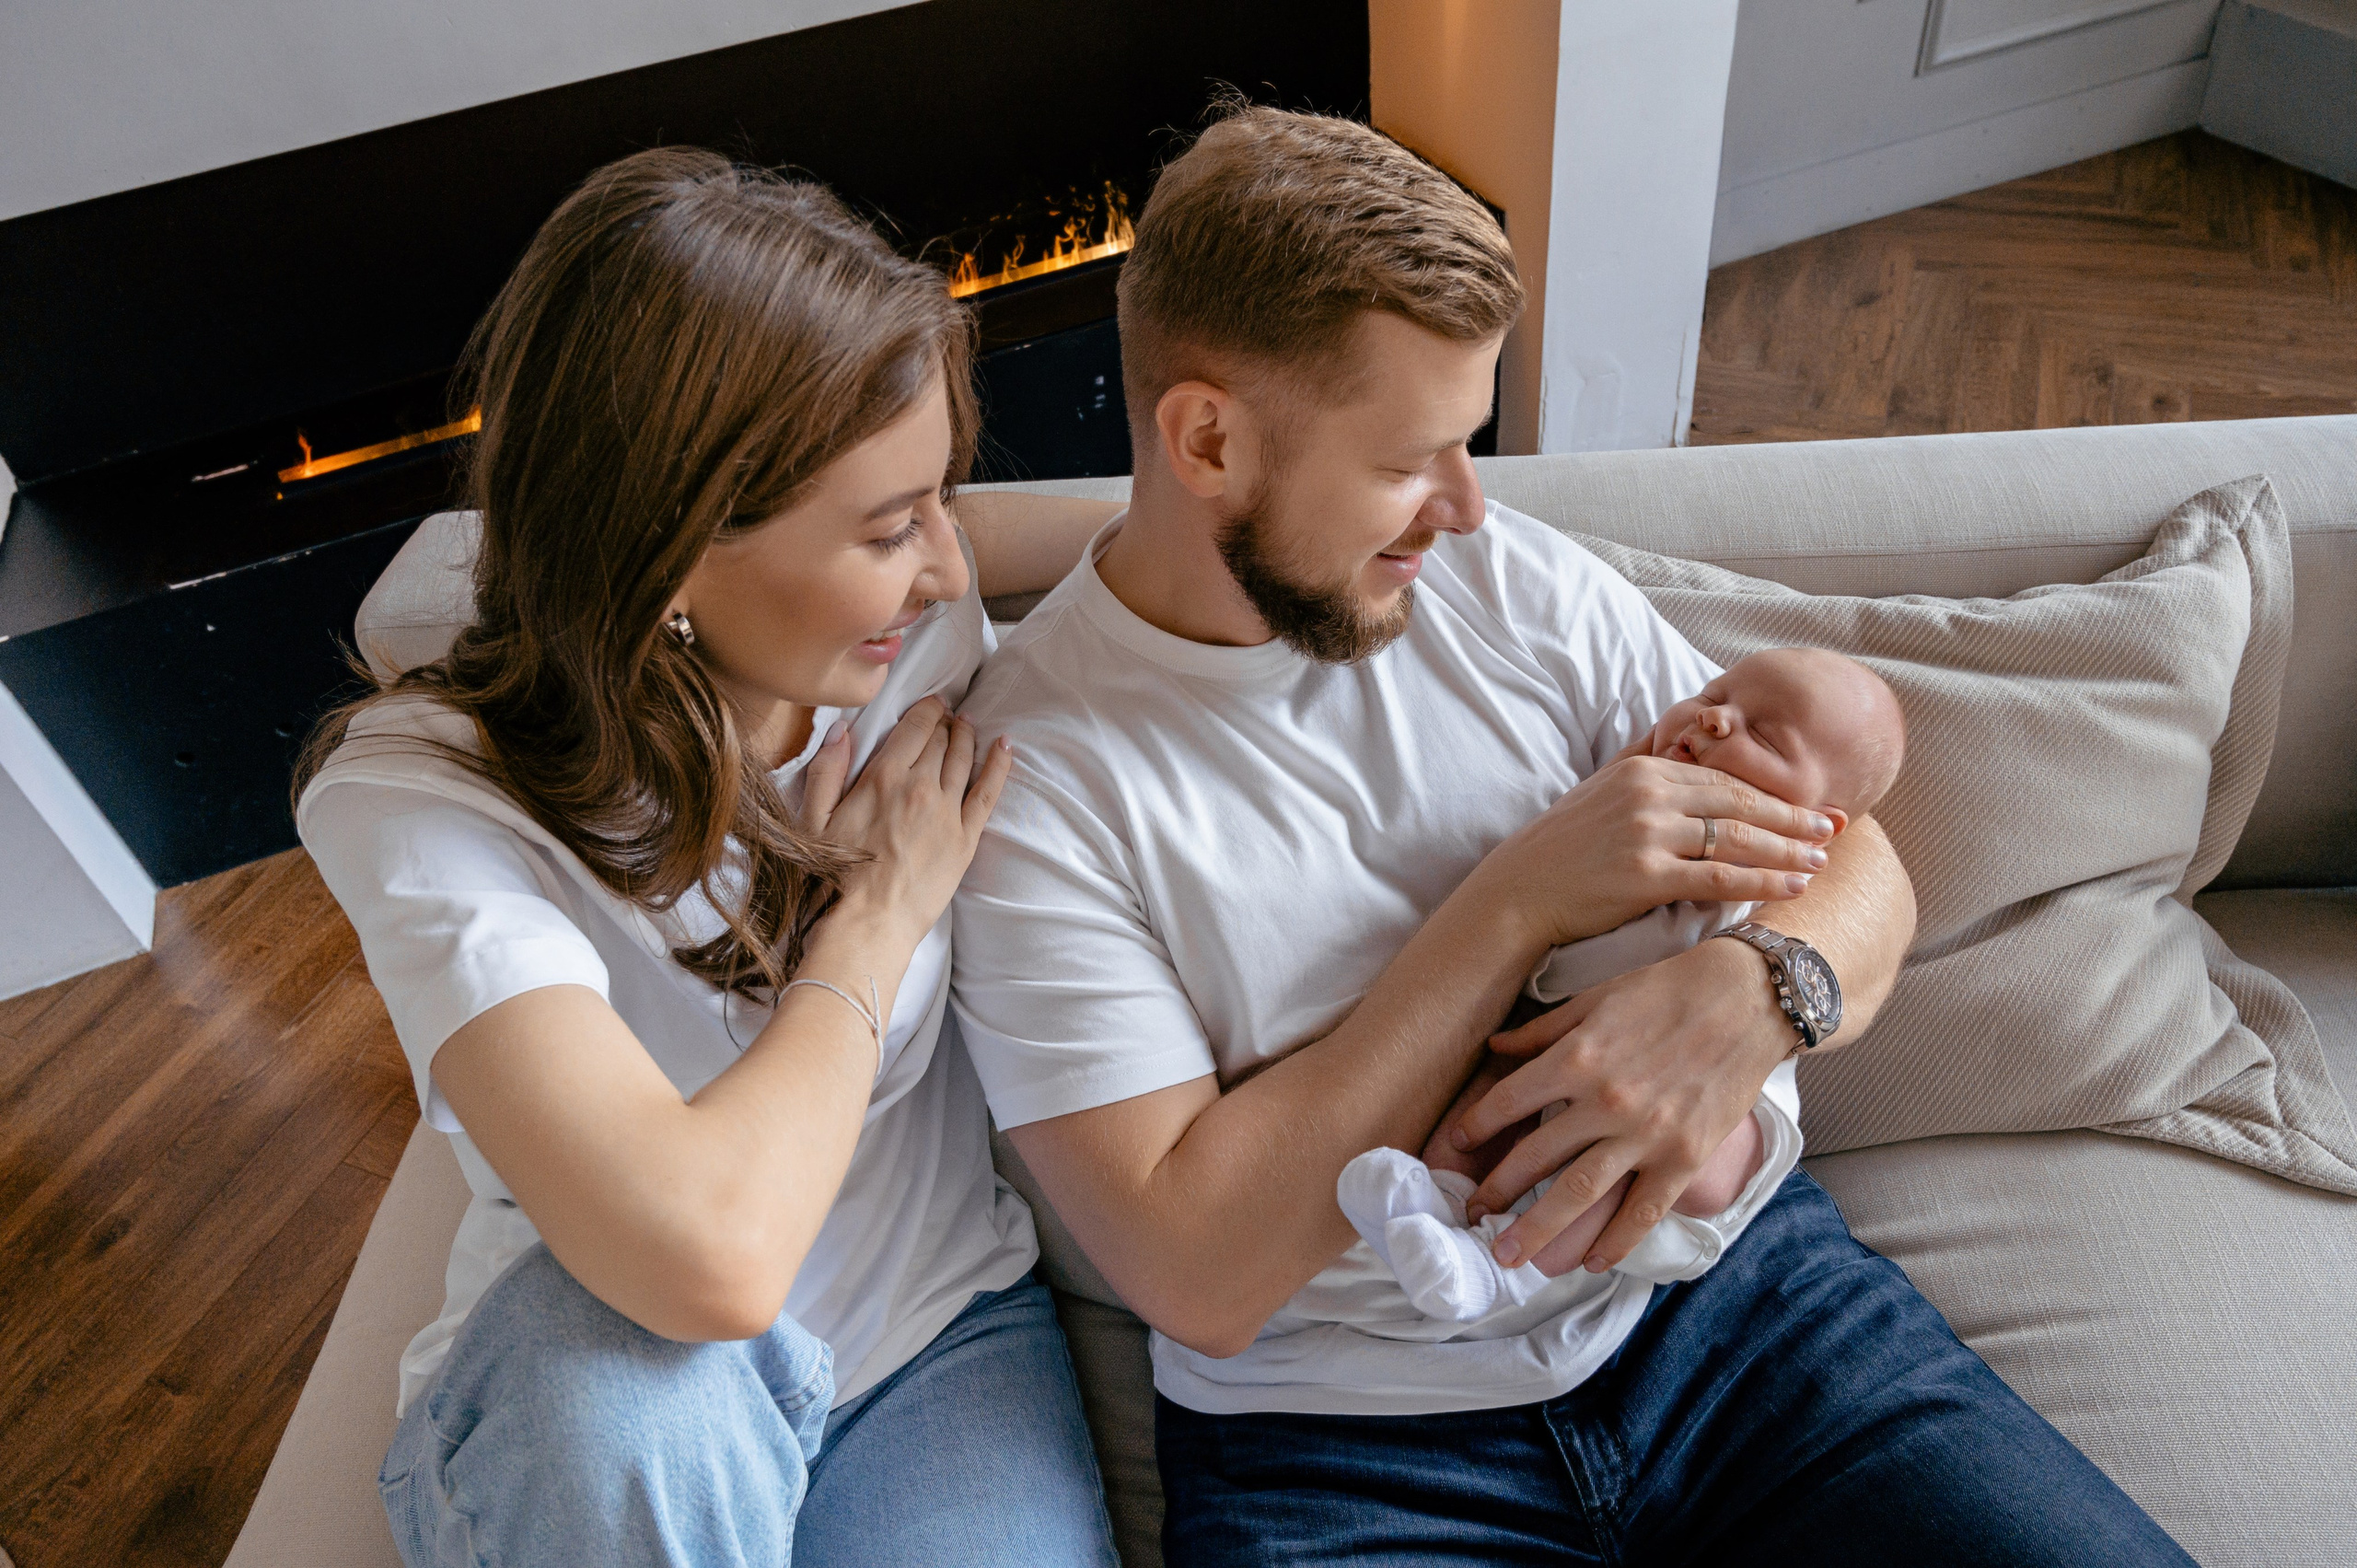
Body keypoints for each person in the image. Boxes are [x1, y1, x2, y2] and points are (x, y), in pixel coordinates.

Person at [949, 106, 2197, 1565]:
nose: (1469, 506)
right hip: (1344, 1453)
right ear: (1207, 437)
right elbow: (1198, 1266)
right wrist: (1517, 902)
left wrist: (1754, 992)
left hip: (1740, 1321)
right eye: (1415, 458)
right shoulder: (1036, 777)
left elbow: (1858, 860)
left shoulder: (1506, 582)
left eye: (1472, 443)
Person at [296, 148, 1120, 1568]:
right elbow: (711, 1262)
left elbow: (963, 538)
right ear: (672, 549)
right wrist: (875, 916)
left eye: (939, 500)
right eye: (887, 528)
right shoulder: (427, 798)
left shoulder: (892, 630)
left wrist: (1189, 526)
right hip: (611, 1366)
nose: (940, 566)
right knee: (623, 1427)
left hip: (933, 1342)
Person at [1341, 647, 1909, 1325]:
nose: (1718, 719)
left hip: (1707, 1128)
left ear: (1823, 822)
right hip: (1573, 1040)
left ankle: (1504, 1269)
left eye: (1763, 735)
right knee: (1498, 1075)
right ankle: (1437, 1196)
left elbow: (1871, 897)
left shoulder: (1778, 876)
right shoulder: (1638, 793)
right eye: (1712, 694)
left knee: (1619, 1151)